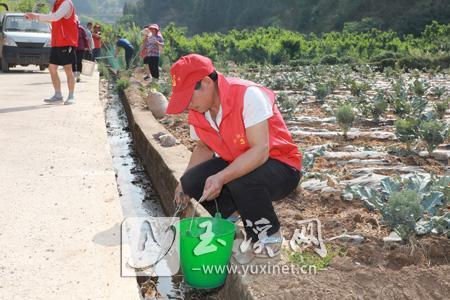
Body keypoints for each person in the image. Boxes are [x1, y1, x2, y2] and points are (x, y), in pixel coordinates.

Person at [167, 54, 302, 258]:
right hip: (237, 161)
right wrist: (183, 183)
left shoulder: (247, 95)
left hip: (280, 164)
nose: (188, 105)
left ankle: (267, 237)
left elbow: (260, 151)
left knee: (241, 180)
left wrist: (222, 177)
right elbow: (203, 148)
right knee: (191, 181)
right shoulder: (199, 111)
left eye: (189, 97)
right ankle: (229, 218)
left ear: (205, 83)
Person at [25, 0, 78, 105]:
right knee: (52, 68)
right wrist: (34, 17)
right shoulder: (56, 4)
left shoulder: (66, 3)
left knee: (68, 68)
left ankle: (71, 96)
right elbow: (52, 19)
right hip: (56, 42)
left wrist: (36, 15)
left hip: (66, 41)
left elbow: (55, 17)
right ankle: (58, 95)